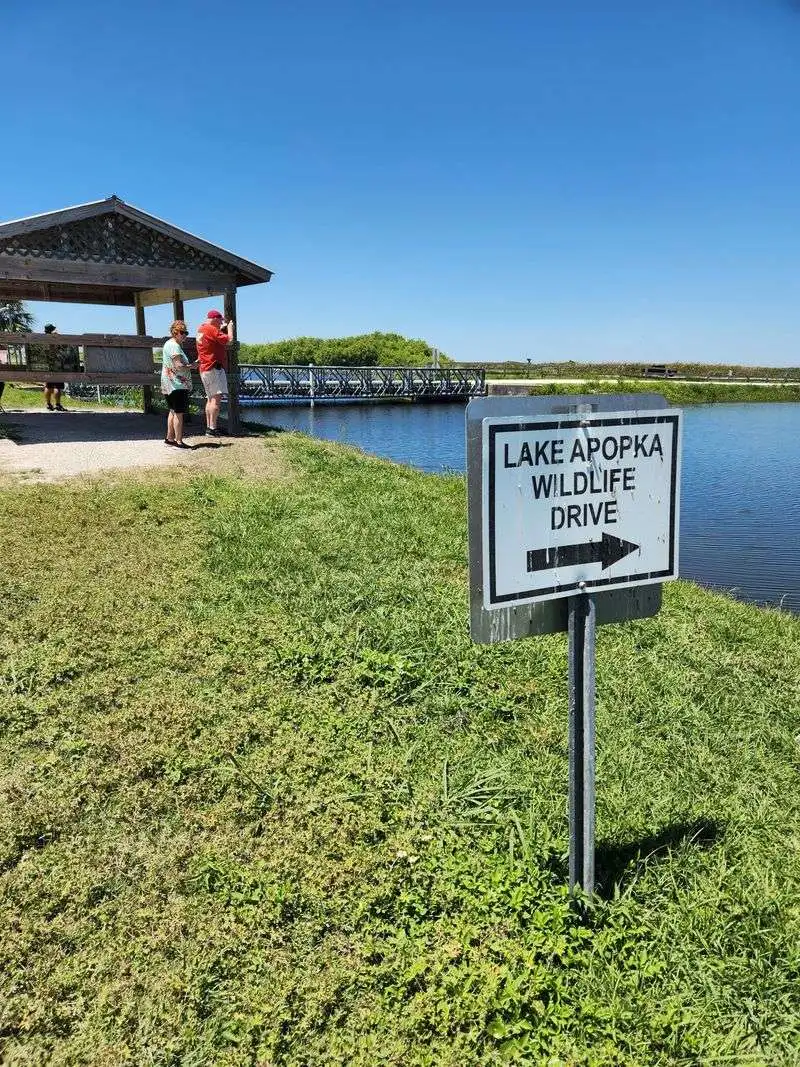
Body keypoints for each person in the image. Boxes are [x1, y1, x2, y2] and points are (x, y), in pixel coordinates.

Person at [196, 309, 234, 437]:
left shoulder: (202, 329)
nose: (221, 324)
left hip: (205, 368)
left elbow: (214, 340)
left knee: (210, 399)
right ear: (215, 319)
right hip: (213, 368)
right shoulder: (211, 329)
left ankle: (209, 427)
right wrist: (229, 328)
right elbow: (229, 340)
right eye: (220, 321)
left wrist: (220, 329)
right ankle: (213, 428)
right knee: (216, 400)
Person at [161, 320, 195, 449]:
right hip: (177, 384)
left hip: (168, 383)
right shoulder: (175, 346)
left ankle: (170, 438)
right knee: (179, 413)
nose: (184, 335)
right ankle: (179, 441)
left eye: (186, 332)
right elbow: (178, 365)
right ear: (175, 332)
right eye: (182, 332)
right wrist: (192, 366)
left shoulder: (168, 344)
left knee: (172, 411)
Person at [42, 324, 66, 411]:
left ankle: (48, 404)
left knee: (48, 385)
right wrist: (57, 336)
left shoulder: (41, 340)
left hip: (46, 365)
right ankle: (58, 405)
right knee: (58, 386)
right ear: (52, 330)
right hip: (57, 364)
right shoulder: (55, 339)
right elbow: (63, 348)